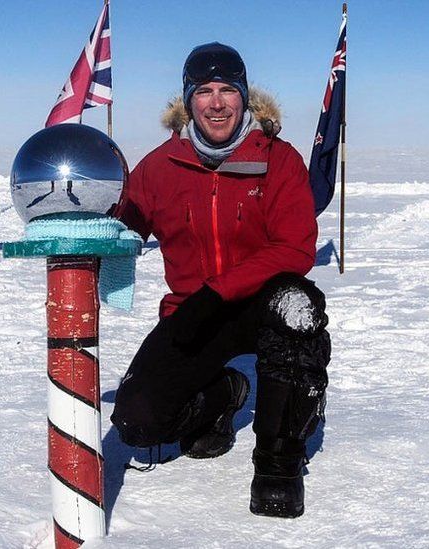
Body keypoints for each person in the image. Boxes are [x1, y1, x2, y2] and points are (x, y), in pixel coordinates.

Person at [111, 42, 330, 519]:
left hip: (258, 304)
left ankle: (279, 460)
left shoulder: (278, 159)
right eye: (204, 91)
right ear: (188, 100)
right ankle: (225, 394)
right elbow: (125, 228)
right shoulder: (161, 166)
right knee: (138, 422)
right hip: (192, 315)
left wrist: (219, 292)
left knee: (299, 305)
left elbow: (295, 247)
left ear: (245, 97)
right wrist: (94, 216)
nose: (216, 103)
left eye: (228, 90)